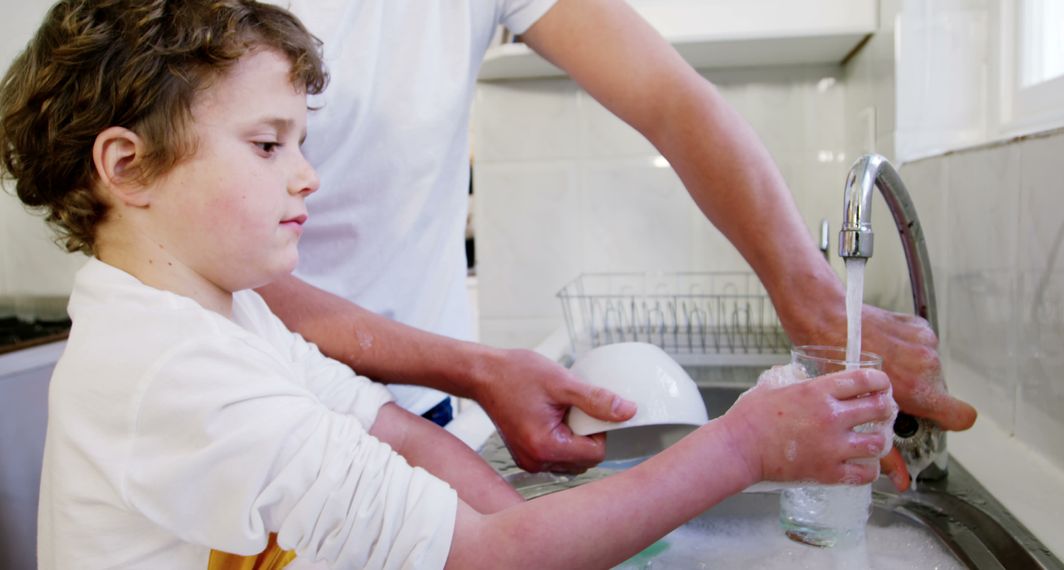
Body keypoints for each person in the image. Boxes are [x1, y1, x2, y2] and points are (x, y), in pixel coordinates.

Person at [1, 1, 899, 567]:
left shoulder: (225, 319)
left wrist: (544, 536)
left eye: (304, 142)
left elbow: (394, 430)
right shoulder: (176, 372)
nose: (308, 176)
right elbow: (484, 557)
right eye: (271, 145)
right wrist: (744, 448)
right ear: (129, 166)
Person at [254, 0, 978, 486]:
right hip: (254, 420)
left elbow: (670, 98)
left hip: (426, 421)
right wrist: (474, 369)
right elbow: (194, 261)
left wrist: (812, 296)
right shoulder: (187, 26)